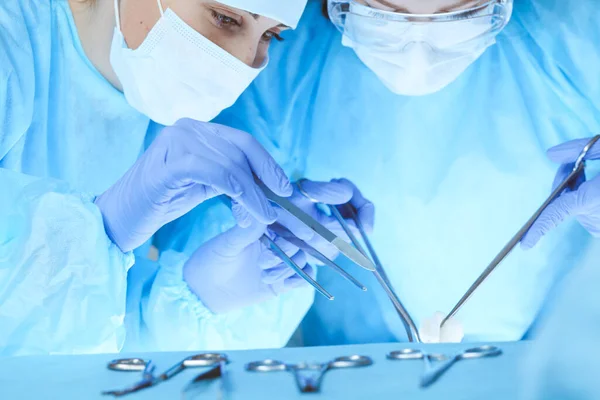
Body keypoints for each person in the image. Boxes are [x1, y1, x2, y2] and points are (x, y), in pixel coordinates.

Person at [200, 0, 600, 345]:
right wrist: (256, 244)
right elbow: (209, 311)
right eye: (386, 15)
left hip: (565, 358)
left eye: (455, 15)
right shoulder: (282, 59)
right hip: (353, 373)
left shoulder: (574, 36)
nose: (418, 54)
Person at [0, 0, 313, 356]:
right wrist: (101, 229)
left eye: (271, 35)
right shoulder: (11, 43)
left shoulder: (156, 105)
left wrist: (199, 298)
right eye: (224, 18)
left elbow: (98, 338)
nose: (244, 61)